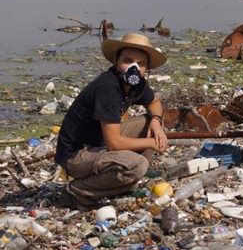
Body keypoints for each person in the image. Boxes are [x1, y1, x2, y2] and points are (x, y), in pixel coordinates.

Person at [54, 33, 168, 210]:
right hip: (76, 155)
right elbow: (114, 143)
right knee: (138, 165)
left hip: (99, 141)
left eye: (140, 64)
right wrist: (152, 143)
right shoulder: (108, 87)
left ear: (146, 69)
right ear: (116, 61)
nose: (134, 67)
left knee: (150, 124)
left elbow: (154, 103)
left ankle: (123, 181)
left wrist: (156, 120)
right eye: (128, 61)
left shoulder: (136, 83)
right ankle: (78, 191)